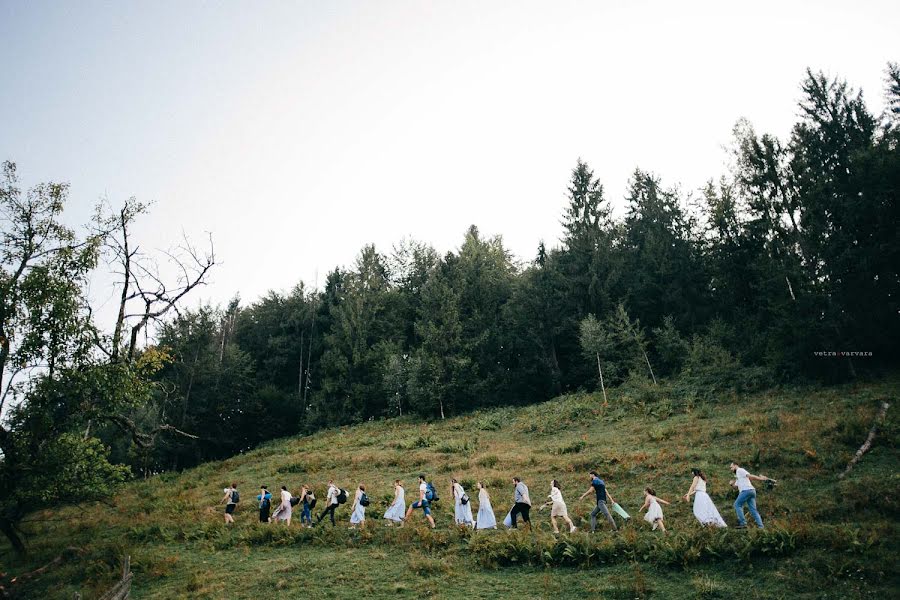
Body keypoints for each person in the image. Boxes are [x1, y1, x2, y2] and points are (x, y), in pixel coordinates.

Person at [730, 462, 774, 529]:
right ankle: (761, 527)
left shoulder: (740, 470)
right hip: (752, 491)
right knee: (753, 510)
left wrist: (761, 479)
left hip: (746, 491)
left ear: (736, 465)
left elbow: (750, 476)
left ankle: (743, 523)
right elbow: (736, 486)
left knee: (737, 505)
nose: (731, 469)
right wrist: (731, 484)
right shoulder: (738, 475)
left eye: (732, 467)